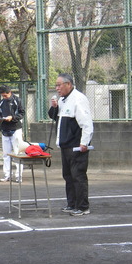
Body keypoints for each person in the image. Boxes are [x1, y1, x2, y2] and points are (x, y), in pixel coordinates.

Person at [48, 73, 94, 216]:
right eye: (56, 85)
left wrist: (84, 143)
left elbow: (86, 124)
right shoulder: (63, 100)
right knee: (68, 176)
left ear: (68, 84)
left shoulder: (78, 99)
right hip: (65, 145)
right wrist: (54, 107)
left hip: (76, 146)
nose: (57, 88)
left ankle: (82, 206)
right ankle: (72, 203)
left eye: (59, 85)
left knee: (78, 176)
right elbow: (54, 117)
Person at [0, 85, 25, 182]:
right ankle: (7, 174)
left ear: (10, 92)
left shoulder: (17, 100)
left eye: (5, 95)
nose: (4, 97)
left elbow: (22, 113)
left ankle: (18, 175)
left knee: (17, 153)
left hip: (15, 129)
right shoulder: (1, 103)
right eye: (2, 96)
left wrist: (12, 118)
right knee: (6, 154)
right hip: (4, 130)